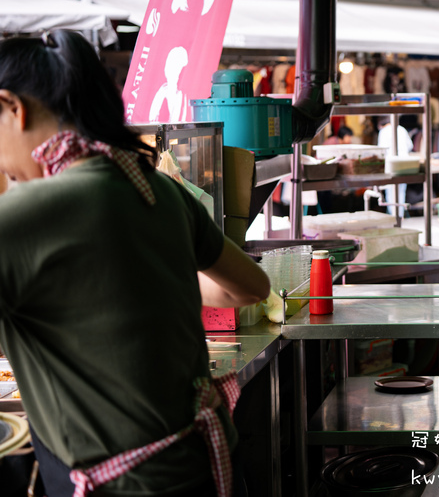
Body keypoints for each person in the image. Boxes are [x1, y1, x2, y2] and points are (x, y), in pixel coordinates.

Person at [0, 30, 270, 497]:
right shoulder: (157, 187)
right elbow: (245, 288)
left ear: (11, 107)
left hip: (123, 485)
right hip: (202, 467)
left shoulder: (27, 214)